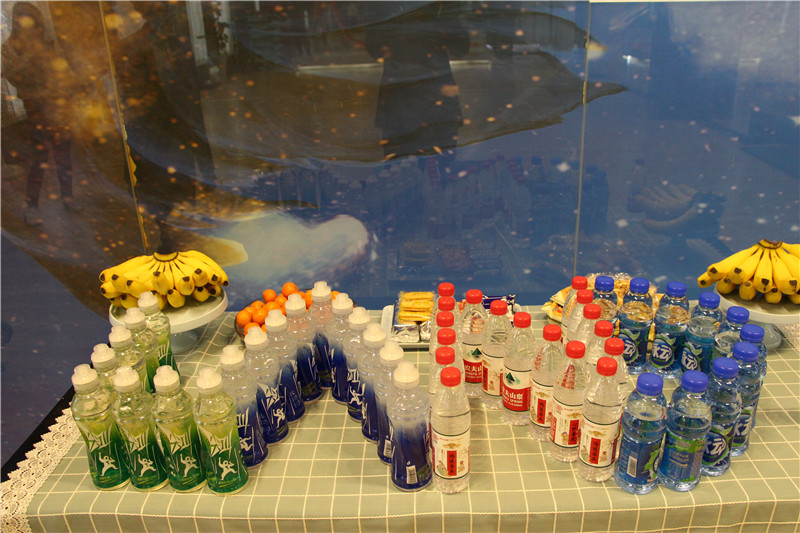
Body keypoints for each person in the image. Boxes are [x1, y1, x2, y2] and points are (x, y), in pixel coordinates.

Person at [2, 2, 81, 226]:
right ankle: (31, 207)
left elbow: (60, 71)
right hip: (35, 106)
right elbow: (13, 76)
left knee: (63, 152)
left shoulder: (47, 43)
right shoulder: (9, 48)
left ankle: (68, 198)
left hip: (56, 103)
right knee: (40, 157)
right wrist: (32, 58)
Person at [365, 2, 469, 164]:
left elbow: (460, 47)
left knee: (402, 166)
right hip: (415, 99)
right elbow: (460, 47)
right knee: (429, 164)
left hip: (410, 98)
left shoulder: (393, 13)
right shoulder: (433, 15)